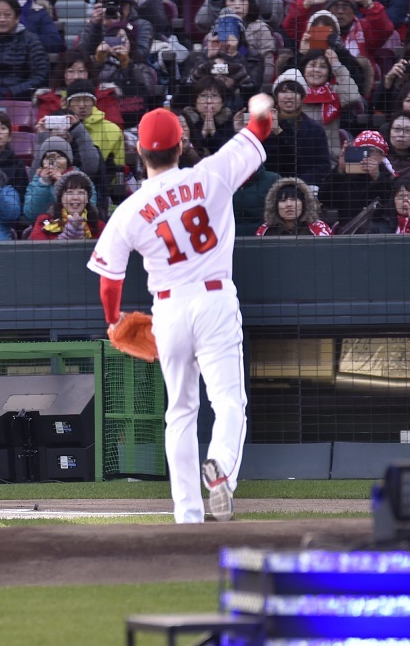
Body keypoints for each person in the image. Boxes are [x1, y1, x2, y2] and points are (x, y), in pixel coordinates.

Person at [87, 93, 277, 523]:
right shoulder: (211, 174)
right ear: (181, 144)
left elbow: (109, 280)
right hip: (213, 299)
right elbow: (261, 127)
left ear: (139, 149)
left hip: (168, 309)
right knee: (228, 401)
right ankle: (222, 472)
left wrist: (114, 321)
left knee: (180, 412)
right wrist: (260, 103)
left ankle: (187, 513)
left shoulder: (131, 208)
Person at [264, 71, 332, 185]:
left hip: (302, 188)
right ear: (276, 96)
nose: (289, 96)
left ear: (302, 97)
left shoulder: (315, 129)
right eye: (284, 91)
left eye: (294, 91)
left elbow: (322, 167)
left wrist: (298, 184)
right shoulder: (264, 127)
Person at [318, 130, 396, 230]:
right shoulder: (346, 178)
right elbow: (324, 198)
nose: (366, 156)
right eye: (362, 151)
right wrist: (340, 170)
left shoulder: (390, 178)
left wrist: (377, 177)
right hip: (350, 236)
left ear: (382, 155)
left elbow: (390, 202)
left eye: (371, 151)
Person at [29, 170, 104, 240]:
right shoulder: (44, 221)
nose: (75, 197)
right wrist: (61, 240)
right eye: (70, 192)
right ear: (60, 197)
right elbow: (37, 250)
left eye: (81, 192)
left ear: (88, 198)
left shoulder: (99, 226)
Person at [255, 177, 333, 236]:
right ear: (274, 205)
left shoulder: (319, 229)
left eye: (294, 199)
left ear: (305, 203)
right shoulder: (264, 231)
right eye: (283, 200)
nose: (289, 204)